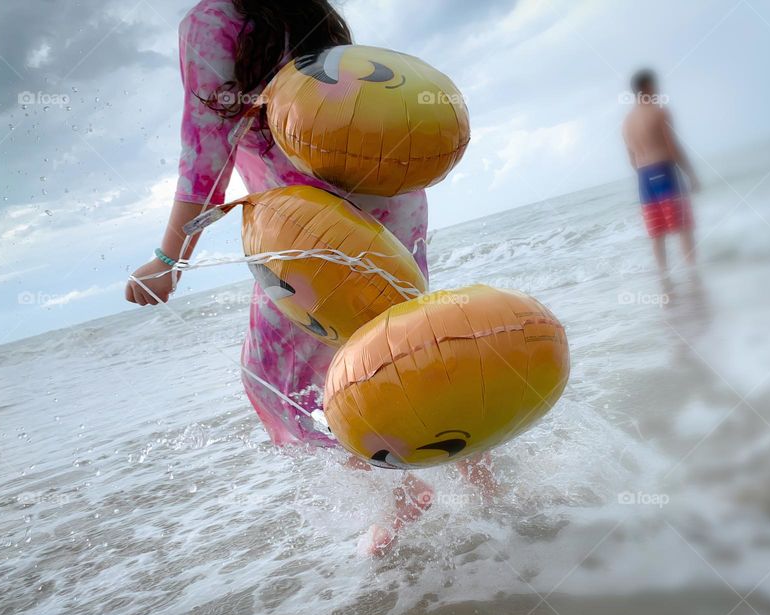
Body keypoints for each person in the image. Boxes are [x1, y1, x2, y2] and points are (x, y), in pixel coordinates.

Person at [123, 0, 493, 555]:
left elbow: (206, 153)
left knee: (274, 383)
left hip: (315, 231)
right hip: (390, 206)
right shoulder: (304, 6)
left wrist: (168, 258)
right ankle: (489, 490)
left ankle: (399, 501)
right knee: (404, 353)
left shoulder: (211, 21)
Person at [622, 70, 700, 274]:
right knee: (683, 229)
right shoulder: (658, 111)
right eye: (654, 86)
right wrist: (691, 174)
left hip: (644, 179)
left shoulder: (627, 122)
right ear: (647, 87)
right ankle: (694, 276)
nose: (657, 90)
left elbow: (631, 159)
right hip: (664, 171)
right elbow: (672, 147)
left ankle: (664, 280)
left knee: (657, 235)